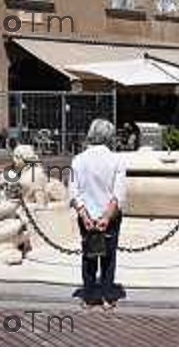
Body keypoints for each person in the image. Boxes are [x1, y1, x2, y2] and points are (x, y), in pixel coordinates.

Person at [69, 119, 126, 309]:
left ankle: (88, 295)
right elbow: (118, 194)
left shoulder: (78, 159)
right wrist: (106, 218)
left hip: (87, 216)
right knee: (108, 257)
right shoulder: (117, 160)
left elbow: (74, 192)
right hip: (109, 216)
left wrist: (85, 216)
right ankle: (107, 296)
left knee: (88, 255)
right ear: (110, 137)